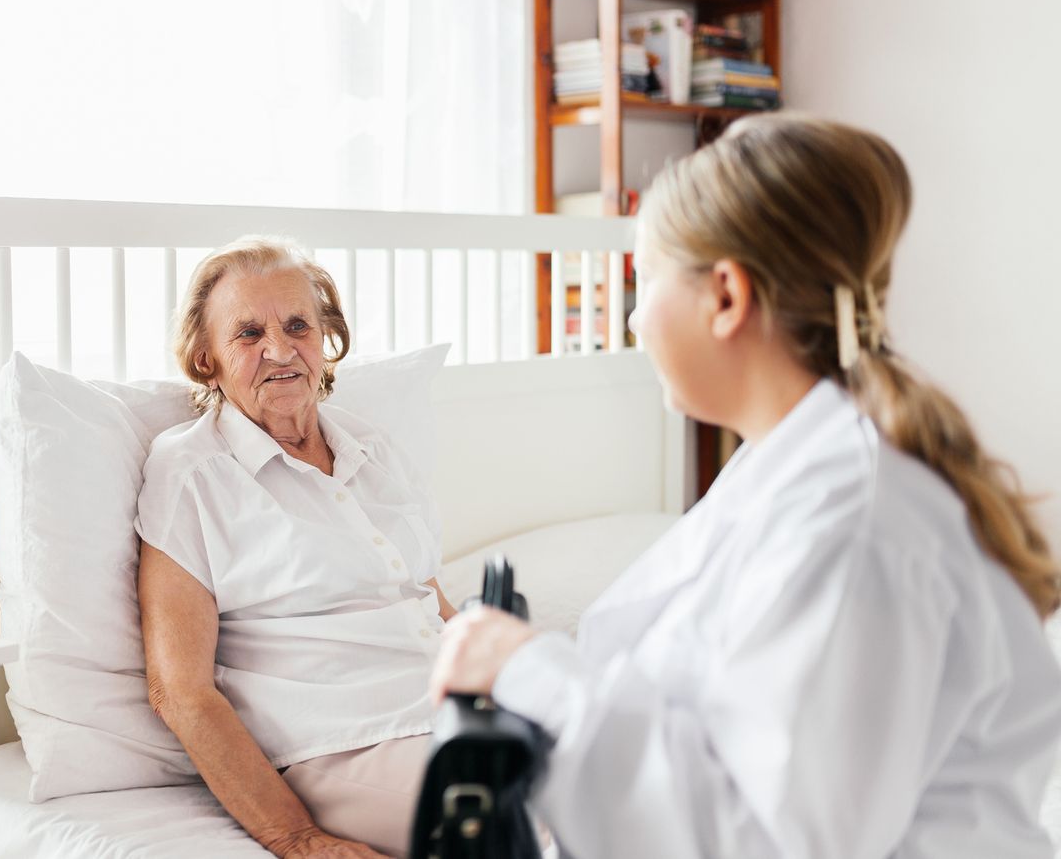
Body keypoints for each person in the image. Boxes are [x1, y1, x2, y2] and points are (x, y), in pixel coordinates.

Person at [430, 113, 1061, 858]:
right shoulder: (788, 466)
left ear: (725, 296)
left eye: (644, 281)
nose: (633, 321)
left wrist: (530, 670)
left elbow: (767, 841)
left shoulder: (854, 522)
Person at [136, 237, 456, 859]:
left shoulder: (372, 447)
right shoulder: (191, 473)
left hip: (455, 709)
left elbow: (427, 597)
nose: (278, 350)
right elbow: (178, 691)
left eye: (296, 326)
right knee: (534, 819)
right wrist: (299, 838)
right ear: (206, 359)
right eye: (248, 333)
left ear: (325, 339)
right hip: (349, 740)